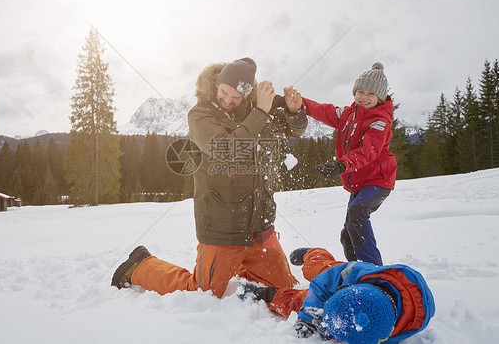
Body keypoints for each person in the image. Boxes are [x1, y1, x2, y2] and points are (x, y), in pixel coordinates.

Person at [111, 57, 308, 297]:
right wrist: (261, 112)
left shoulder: (258, 110)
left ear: (245, 97)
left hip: (260, 227)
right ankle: (140, 266)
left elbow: (293, 130)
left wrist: (294, 110)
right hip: (223, 225)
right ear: (217, 84)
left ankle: (243, 270)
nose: (228, 100)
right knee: (202, 292)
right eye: (224, 91)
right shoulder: (200, 115)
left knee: (285, 288)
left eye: (236, 97)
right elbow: (226, 150)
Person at [285, 62, 397, 265]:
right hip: (358, 183)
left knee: (357, 217)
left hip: (377, 181)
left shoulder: (380, 121)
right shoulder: (347, 115)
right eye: (360, 91)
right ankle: (356, 270)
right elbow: (322, 110)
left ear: (380, 98)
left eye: (370, 94)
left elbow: (368, 152)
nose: (364, 97)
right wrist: (300, 102)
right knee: (348, 235)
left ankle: (373, 272)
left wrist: (341, 165)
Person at [238, 247, 435, 343]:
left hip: (364, 298)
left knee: (298, 300)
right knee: (318, 269)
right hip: (359, 279)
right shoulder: (356, 271)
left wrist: (332, 327)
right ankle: (313, 253)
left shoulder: (391, 331)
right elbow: (321, 285)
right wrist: (307, 318)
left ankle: (266, 294)